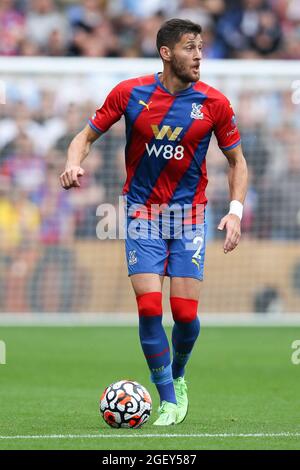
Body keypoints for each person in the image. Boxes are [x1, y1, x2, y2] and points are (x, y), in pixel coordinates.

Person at [60, 18, 248, 426]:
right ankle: (166, 398)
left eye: (201, 46)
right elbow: (85, 136)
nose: (198, 54)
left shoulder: (215, 103)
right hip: (141, 213)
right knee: (149, 307)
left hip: (191, 215)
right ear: (166, 53)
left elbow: (237, 161)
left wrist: (235, 212)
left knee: (183, 314)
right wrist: (73, 164)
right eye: (189, 47)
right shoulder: (130, 93)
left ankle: (178, 375)